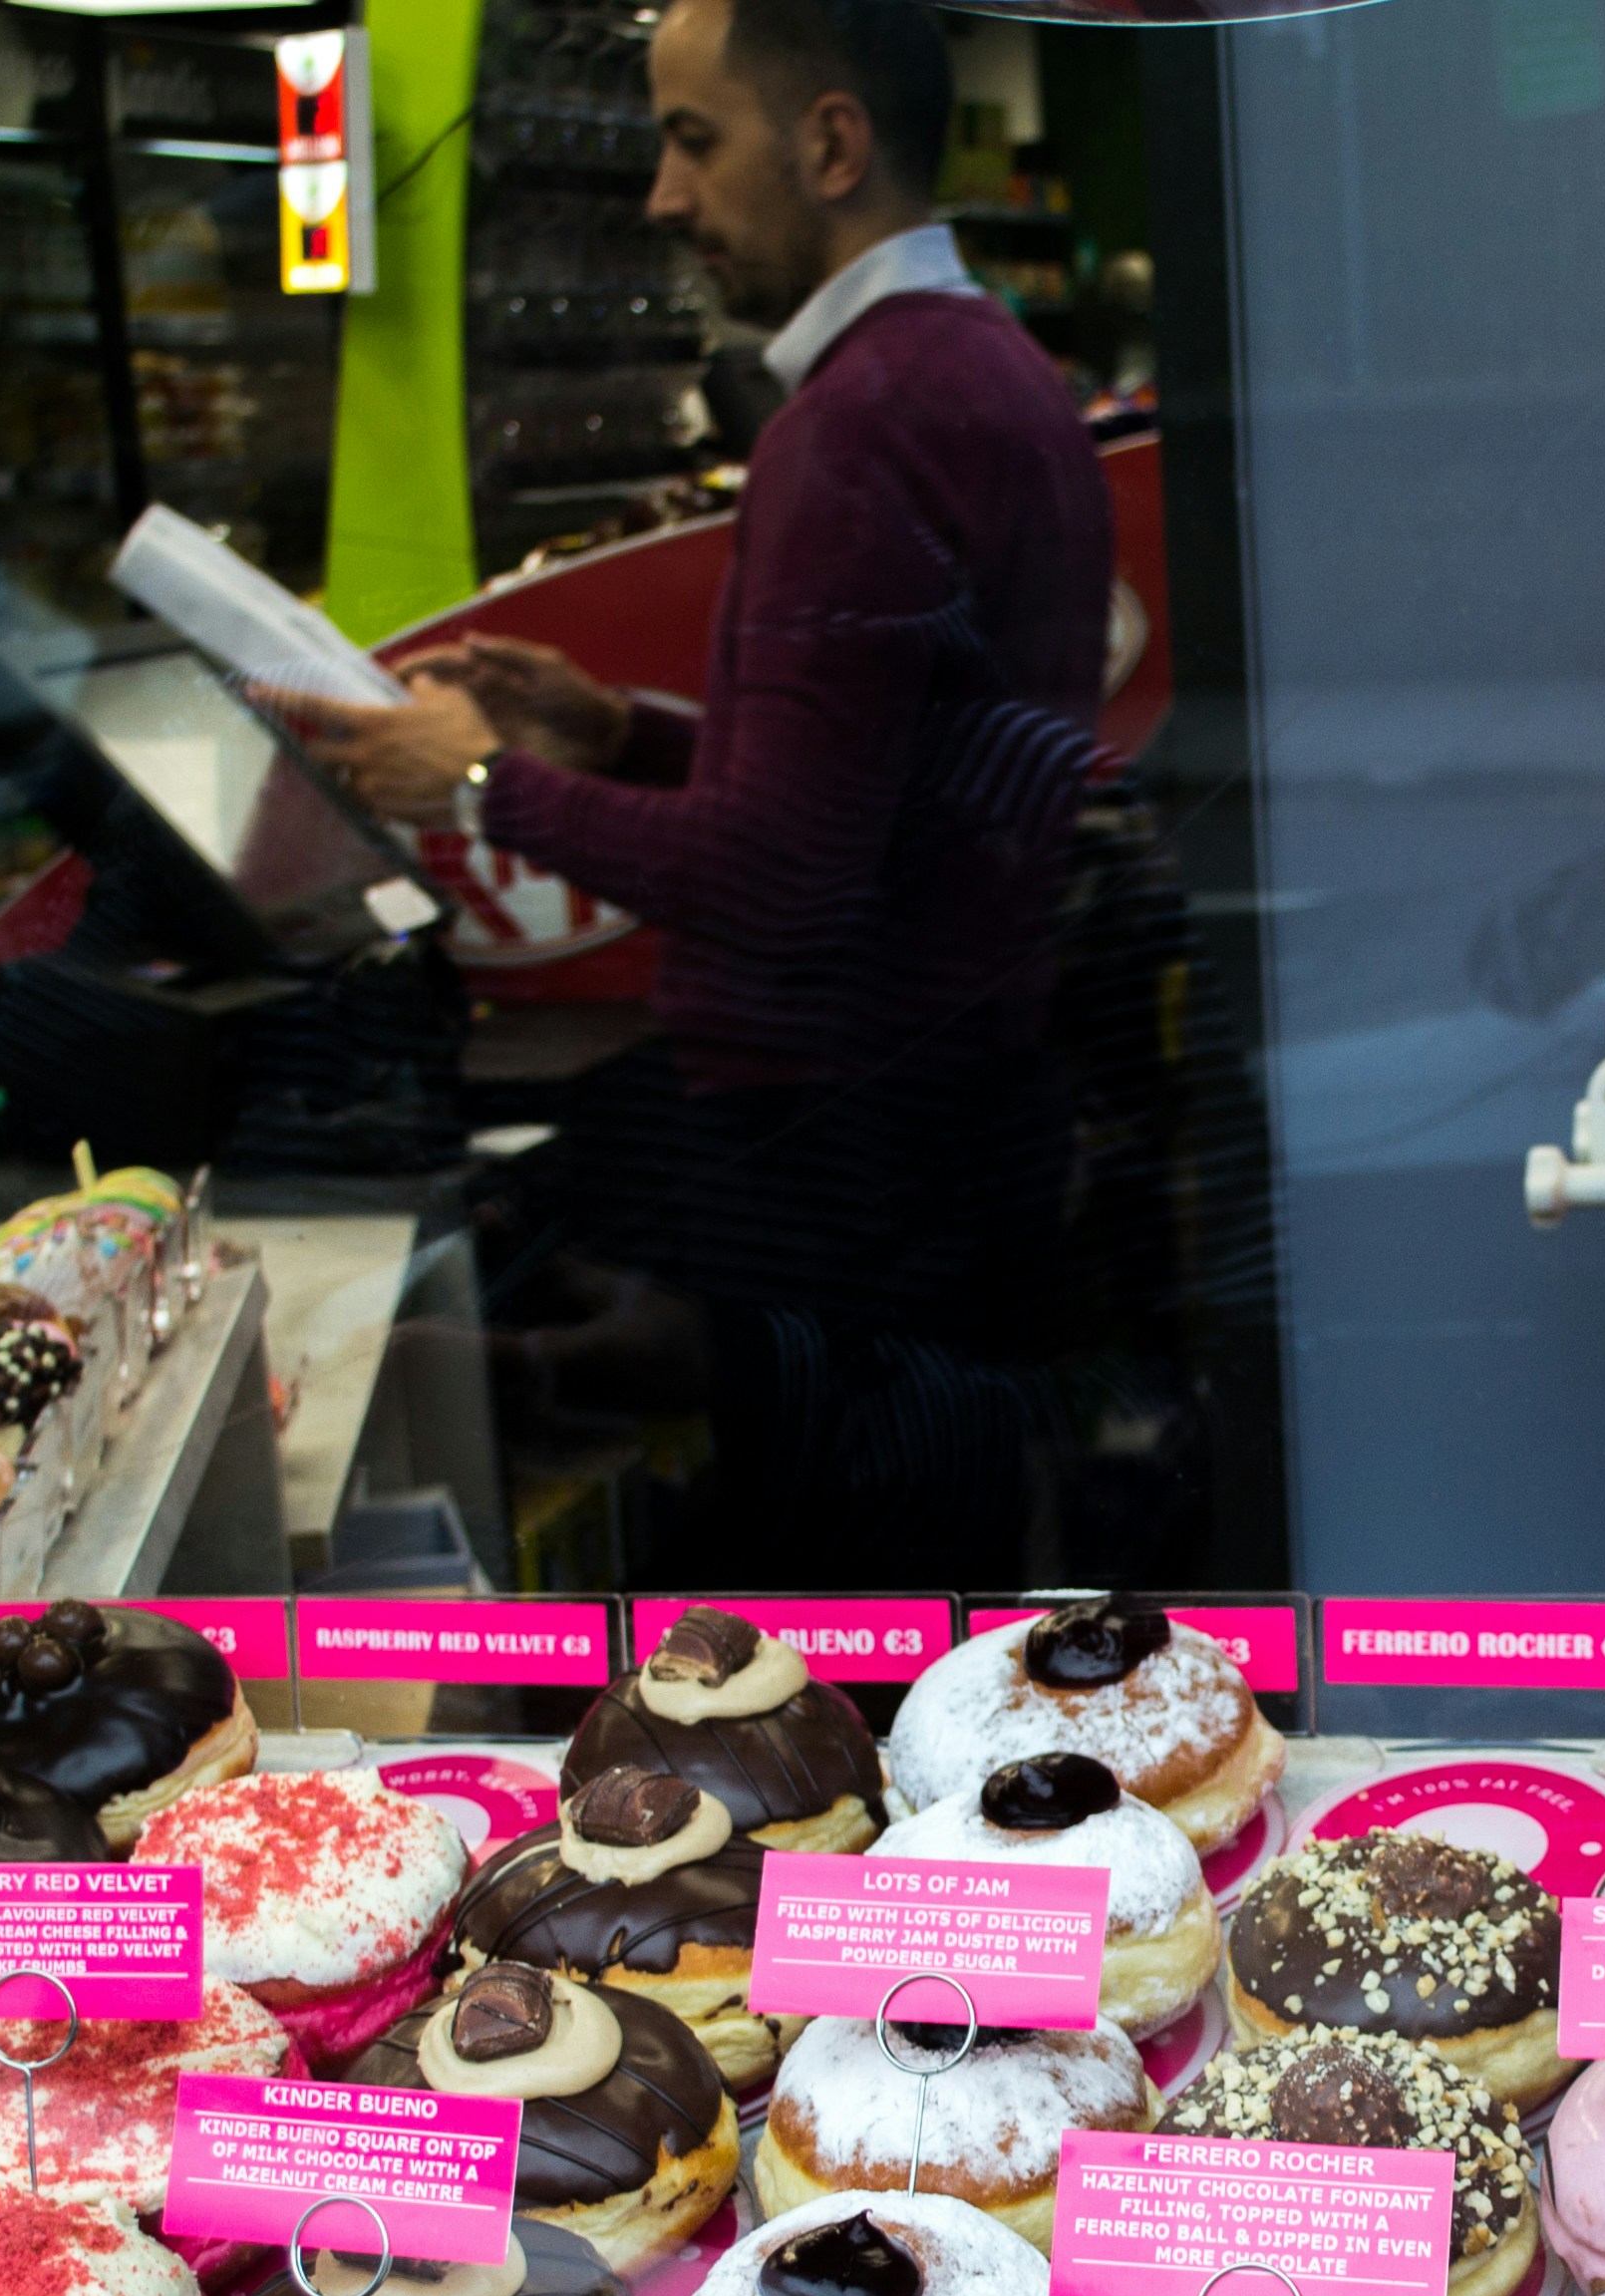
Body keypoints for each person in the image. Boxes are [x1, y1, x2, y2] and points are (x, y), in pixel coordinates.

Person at [280, 0, 1116, 1580]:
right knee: (931, 1596)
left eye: (692, 139)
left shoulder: (855, 427)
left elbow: (783, 881)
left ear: (830, 142)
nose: (664, 198)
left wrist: (475, 780)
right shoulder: (989, 370)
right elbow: (896, 786)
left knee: (839, 1653)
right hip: (946, 1137)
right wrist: (621, 732)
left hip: (846, 1166)